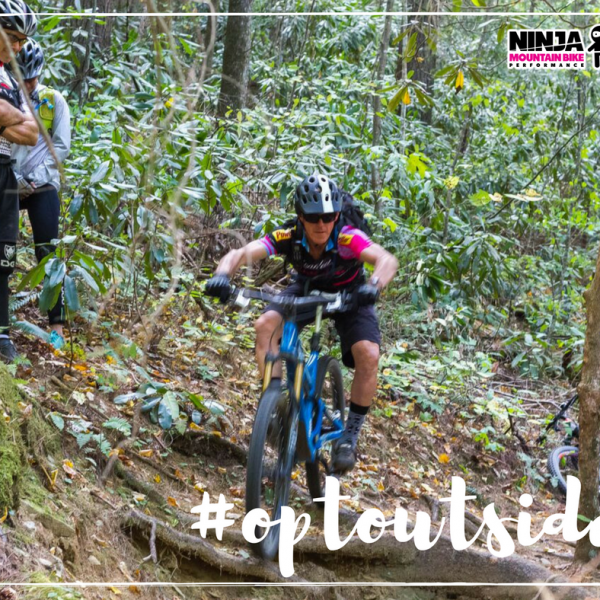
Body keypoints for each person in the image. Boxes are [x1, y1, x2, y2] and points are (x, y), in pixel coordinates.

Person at [205, 172, 398, 474]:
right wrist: (221, 275)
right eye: (313, 218)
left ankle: (349, 437)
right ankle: (275, 405)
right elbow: (240, 253)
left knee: (368, 353)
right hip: (306, 289)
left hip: (350, 294)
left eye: (329, 217)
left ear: (336, 216)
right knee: (265, 325)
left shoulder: (347, 237)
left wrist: (373, 285)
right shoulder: (289, 236)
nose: (322, 225)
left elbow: (386, 260)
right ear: (300, 217)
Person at [11, 39, 71, 350]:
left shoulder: (53, 101)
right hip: (9, 181)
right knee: (4, 250)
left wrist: (35, 178)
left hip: (42, 185)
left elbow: (61, 146)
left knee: (48, 254)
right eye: (23, 78)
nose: (28, 84)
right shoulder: (7, 97)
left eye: (32, 78)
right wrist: (13, 177)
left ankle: (56, 327)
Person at [0, 0, 39, 363]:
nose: (16, 46)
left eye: (21, 41)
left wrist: (4, 118)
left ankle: (1, 333)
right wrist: (12, 118)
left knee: (4, 256)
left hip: (5, 171)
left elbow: (31, 133)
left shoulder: (11, 80)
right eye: (12, 36)